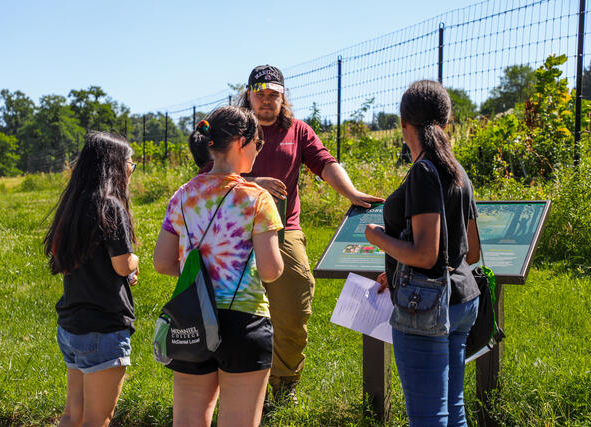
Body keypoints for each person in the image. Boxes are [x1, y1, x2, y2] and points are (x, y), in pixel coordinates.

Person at [238, 65, 381, 402]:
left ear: (283, 96)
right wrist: (253, 184)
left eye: (273, 94)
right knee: (238, 313)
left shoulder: (298, 131)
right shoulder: (235, 128)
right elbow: (212, 174)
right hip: (236, 232)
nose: (266, 100)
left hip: (284, 231)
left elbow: (324, 161)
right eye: (260, 93)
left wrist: (351, 193)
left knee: (295, 305)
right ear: (249, 95)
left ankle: (283, 386)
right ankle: (243, 383)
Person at [153, 105, 284, 427]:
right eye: (257, 143)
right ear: (242, 141)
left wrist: (203, 273)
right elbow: (270, 270)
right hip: (245, 321)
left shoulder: (183, 195)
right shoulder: (257, 198)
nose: (258, 151)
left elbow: (162, 262)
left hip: (192, 317)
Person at [364, 80, 481, 426]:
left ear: (403, 124)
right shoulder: (458, 171)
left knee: (428, 417)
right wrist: (400, 267)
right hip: (462, 301)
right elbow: (471, 251)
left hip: (426, 310)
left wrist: (378, 237)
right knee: (453, 408)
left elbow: (427, 255)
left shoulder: (423, 173)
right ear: (447, 123)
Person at [44, 131, 139, 427]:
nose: (132, 168)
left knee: (73, 414)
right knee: (98, 420)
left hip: (72, 327)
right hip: (104, 328)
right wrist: (135, 262)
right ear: (114, 166)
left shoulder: (73, 206)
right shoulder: (112, 206)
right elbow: (123, 266)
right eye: (130, 162)